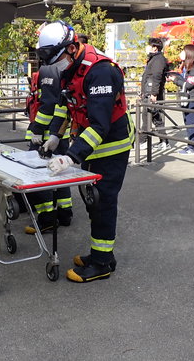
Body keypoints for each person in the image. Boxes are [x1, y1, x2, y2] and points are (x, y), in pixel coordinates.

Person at [37, 20, 133, 283]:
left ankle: (101, 264)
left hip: (111, 144)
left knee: (103, 202)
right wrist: (55, 136)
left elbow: (100, 126)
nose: (56, 66)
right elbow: (63, 105)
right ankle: (101, 255)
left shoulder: (101, 71)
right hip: (89, 144)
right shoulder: (70, 67)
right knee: (93, 201)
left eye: (57, 59)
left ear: (72, 47)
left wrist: (71, 156)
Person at [23, 59, 73, 234]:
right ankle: (65, 213)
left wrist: (36, 130)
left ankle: (47, 220)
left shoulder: (49, 69)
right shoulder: (67, 68)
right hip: (60, 134)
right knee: (61, 174)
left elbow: (49, 104)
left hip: (45, 137)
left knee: (38, 177)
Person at [168, 44, 194, 155]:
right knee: (187, 122)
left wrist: (175, 80)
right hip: (187, 98)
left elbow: (188, 85)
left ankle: (192, 147)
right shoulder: (188, 67)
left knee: (191, 122)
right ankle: (189, 145)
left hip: (192, 98)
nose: (181, 53)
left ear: (189, 53)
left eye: (183, 51)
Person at [140, 37, 170, 150]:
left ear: (155, 48)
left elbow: (156, 77)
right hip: (148, 92)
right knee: (156, 118)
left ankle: (143, 141)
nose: (147, 47)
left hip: (152, 93)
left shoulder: (158, 60)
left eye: (149, 45)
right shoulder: (154, 59)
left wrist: (154, 93)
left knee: (147, 117)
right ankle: (164, 141)